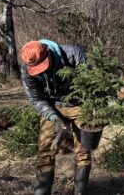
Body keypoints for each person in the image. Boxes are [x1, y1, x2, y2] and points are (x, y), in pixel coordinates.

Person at [20, 39, 91, 195]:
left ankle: (80, 192)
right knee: (45, 151)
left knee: (83, 151)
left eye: (43, 67)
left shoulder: (73, 54)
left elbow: (90, 83)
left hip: (79, 104)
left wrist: (93, 109)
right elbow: (35, 98)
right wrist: (54, 118)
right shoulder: (27, 67)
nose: (41, 72)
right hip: (51, 106)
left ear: (49, 53)